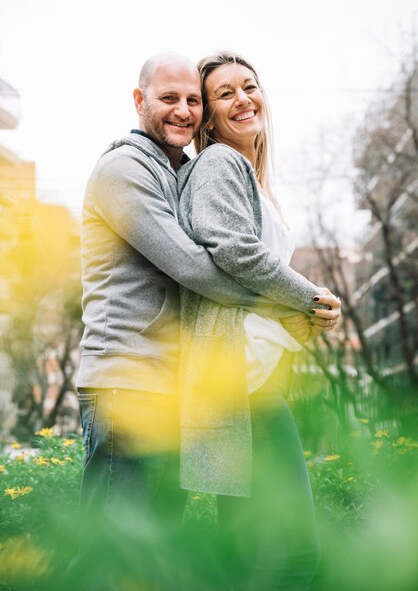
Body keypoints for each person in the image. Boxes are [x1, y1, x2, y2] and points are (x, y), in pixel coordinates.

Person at [75, 51, 340, 588]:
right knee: (115, 555)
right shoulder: (124, 168)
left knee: (157, 560)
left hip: (171, 389)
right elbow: (195, 265)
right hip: (126, 384)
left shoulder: (178, 169)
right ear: (139, 99)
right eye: (170, 98)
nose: (183, 110)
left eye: (191, 100)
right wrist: (299, 303)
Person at [177, 51, 340, 590]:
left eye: (250, 86)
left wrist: (300, 320)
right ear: (207, 117)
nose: (244, 99)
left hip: (254, 381)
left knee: (255, 557)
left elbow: (247, 294)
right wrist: (311, 298)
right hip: (242, 388)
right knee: (292, 553)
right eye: (225, 94)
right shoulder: (219, 162)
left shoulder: (249, 174)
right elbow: (235, 252)